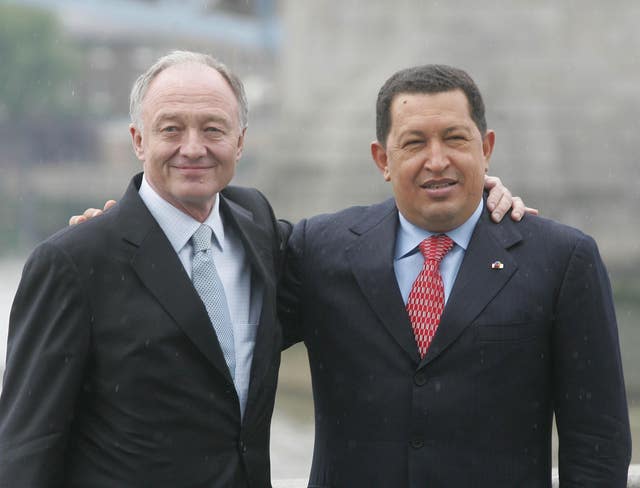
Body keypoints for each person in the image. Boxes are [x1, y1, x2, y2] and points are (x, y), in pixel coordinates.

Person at [278, 65, 632, 486]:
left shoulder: (561, 259)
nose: (438, 160)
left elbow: (597, 440)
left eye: (455, 139)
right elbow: (230, 333)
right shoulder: (319, 249)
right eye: (414, 143)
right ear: (382, 159)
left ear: (486, 148)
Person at [0, 51, 288, 487]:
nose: (193, 148)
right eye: (171, 129)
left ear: (240, 141)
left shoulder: (258, 226)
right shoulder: (75, 263)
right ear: (138, 140)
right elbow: (26, 445)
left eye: (213, 129)